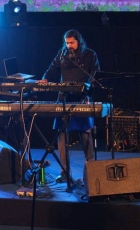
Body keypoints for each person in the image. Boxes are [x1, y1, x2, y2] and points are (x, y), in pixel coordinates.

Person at [40, 29, 100, 183]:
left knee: (85, 134)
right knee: (61, 134)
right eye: (67, 43)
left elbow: (95, 73)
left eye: (72, 43)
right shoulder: (62, 53)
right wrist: (45, 78)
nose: (69, 46)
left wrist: (87, 85)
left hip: (82, 97)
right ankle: (64, 171)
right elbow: (51, 68)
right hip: (64, 97)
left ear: (78, 41)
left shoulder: (90, 54)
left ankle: (91, 170)